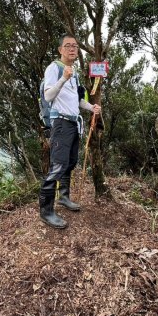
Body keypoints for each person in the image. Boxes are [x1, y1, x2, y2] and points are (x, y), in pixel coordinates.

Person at [39, 34, 101, 229]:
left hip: (73, 124)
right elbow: (48, 96)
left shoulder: (73, 72)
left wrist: (91, 108)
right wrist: (63, 79)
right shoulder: (54, 68)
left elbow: (76, 100)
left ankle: (63, 197)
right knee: (57, 166)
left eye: (75, 46)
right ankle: (46, 211)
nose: (72, 49)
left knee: (70, 162)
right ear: (60, 50)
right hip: (60, 123)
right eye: (68, 46)